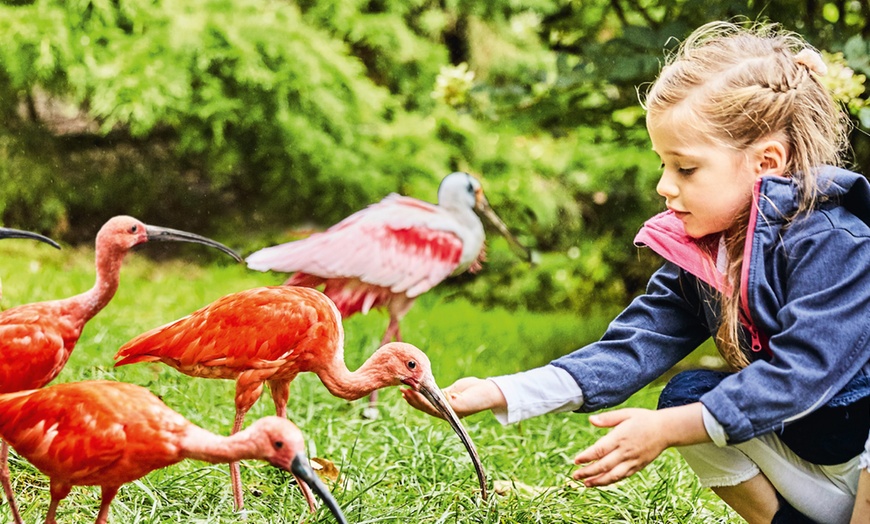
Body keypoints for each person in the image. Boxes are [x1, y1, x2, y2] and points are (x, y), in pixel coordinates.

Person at [403, 20, 870, 524]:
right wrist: (505, 391)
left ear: (766, 162)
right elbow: (634, 344)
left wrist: (668, 430)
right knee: (686, 398)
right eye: (662, 165)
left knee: (684, 417)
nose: (664, 186)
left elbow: (804, 374)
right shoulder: (705, 253)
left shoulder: (836, 243)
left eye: (685, 168)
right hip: (813, 465)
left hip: (855, 451)